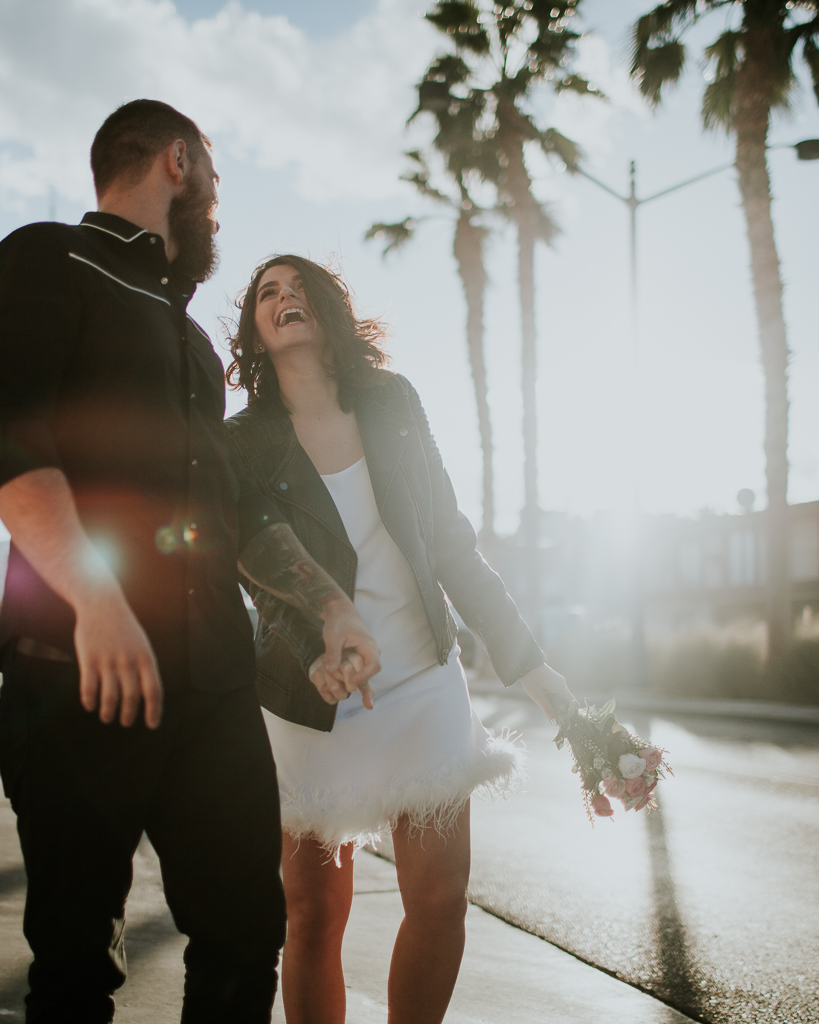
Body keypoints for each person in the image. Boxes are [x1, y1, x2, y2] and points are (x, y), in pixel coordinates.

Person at [0, 101, 379, 1023]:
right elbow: (3, 437)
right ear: (178, 163)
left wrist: (330, 607)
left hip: (211, 688)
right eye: (216, 187)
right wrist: (96, 601)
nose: (219, 213)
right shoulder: (45, 259)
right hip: (73, 674)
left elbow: (228, 520)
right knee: (76, 962)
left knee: (244, 933)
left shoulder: (193, 345)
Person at [224, 254, 577, 1023]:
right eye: (266, 294)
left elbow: (451, 542)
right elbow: (257, 565)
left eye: (297, 287)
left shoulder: (392, 402)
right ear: (254, 327)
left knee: (442, 896)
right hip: (311, 696)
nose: (283, 299)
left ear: (328, 307)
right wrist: (316, 651)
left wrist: (536, 672)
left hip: (424, 679)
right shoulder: (245, 440)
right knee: (315, 913)